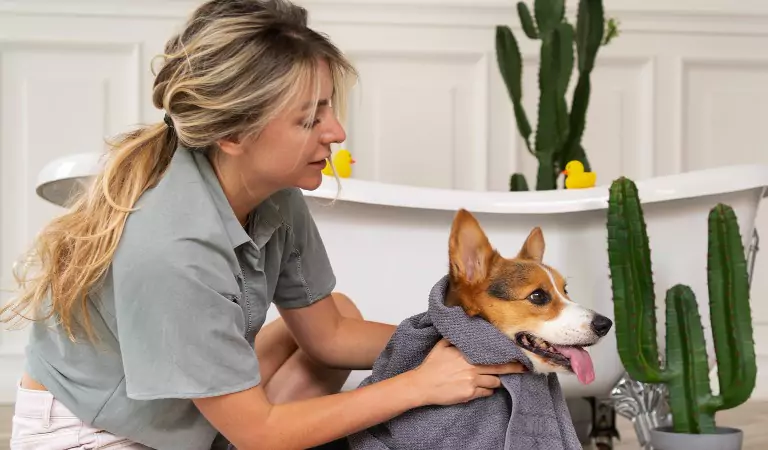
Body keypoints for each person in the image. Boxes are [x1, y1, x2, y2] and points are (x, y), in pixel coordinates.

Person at [0, 1, 527, 449]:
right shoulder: (171, 245)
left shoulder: (274, 192)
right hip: (96, 435)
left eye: (330, 109)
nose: (336, 131)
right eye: (309, 119)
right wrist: (420, 384)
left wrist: (476, 334)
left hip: (174, 418)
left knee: (337, 309)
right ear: (233, 134)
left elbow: (331, 335)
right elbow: (261, 431)